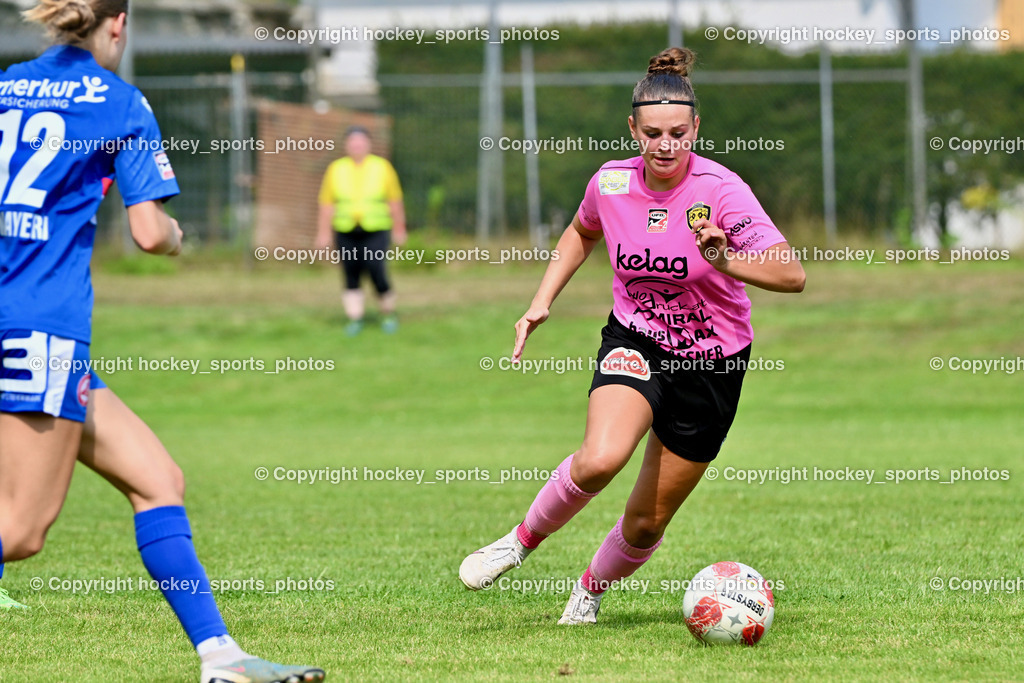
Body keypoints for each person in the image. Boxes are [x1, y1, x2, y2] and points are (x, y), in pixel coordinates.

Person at [0, 2, 326, 681]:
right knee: (22, 530)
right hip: (39, 328)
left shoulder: (5, 87)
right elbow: (151, 233)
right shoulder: (120, 103)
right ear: (116, 25)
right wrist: (179, 238)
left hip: (25, 325)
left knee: (157, 478)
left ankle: (221, 658)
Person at [459, 47, 806, 624]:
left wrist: (726, 260)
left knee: (647, 522)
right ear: (632, 129)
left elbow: (791, 274)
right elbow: (580, 231)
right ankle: (517, 542)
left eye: (678, 133)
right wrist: (540, 302)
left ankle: (589, 589)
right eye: (652, 133)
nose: (666, 145)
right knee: (600, 459)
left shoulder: (722, 189)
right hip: (636, 339)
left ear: (696, 127)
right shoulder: (611, 183)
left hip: (714, 364)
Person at [315, 126, 407, 336]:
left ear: (368, 144)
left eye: (361, 142)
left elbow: (394, 200)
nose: (357, 146)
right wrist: (323, 232)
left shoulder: (382, 167)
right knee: (351, 272)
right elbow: (326, 203)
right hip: (346, 229)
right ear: (346, 146)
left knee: (375, 268)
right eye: (352, 142)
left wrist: (400, 227)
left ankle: (388, 312)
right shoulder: (336, 169)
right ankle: (355, 318)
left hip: (376, 228)